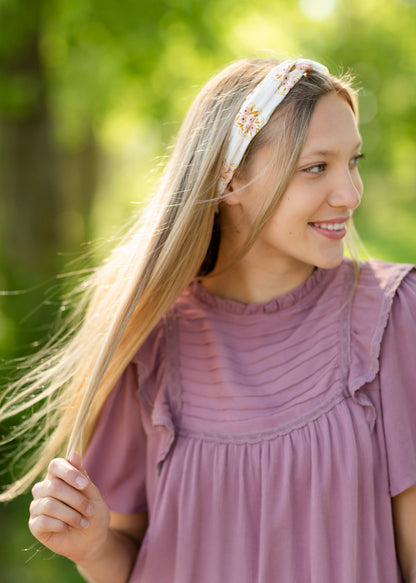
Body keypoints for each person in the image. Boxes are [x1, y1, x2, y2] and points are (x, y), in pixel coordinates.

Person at [1, 56, 416, 583]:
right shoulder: (148, 337)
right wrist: (93, 545)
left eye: (353, 161)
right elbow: (128, 561)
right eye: (317, 167)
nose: (350, 194)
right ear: (232, 177)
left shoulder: (394, 316)